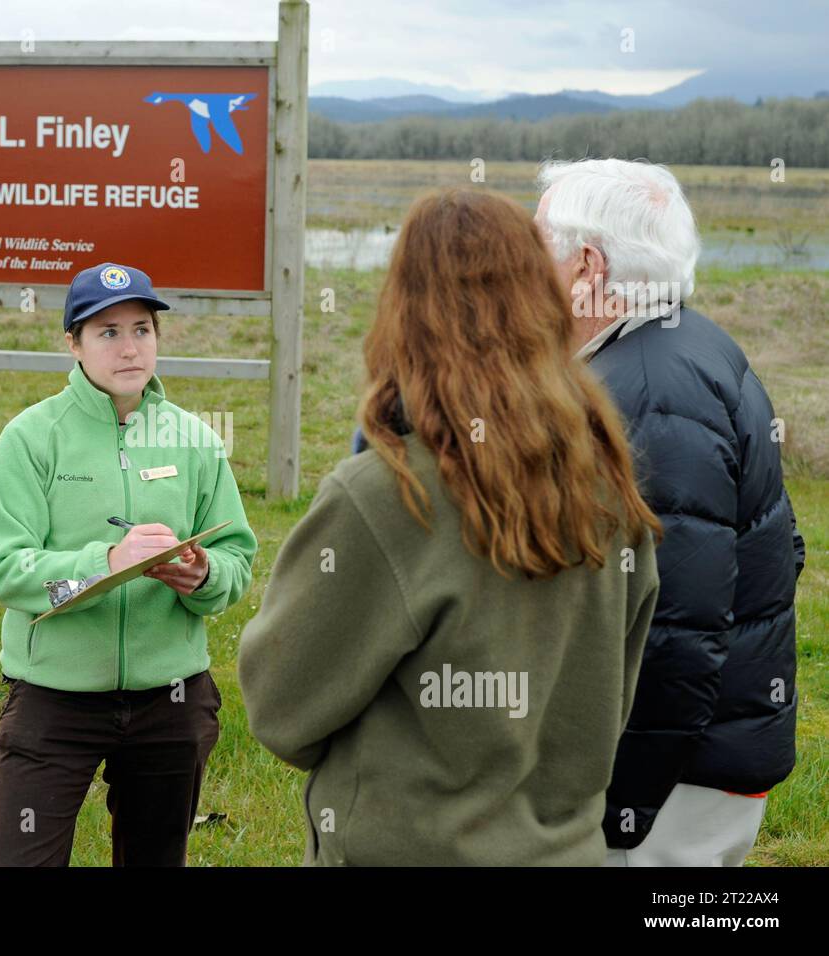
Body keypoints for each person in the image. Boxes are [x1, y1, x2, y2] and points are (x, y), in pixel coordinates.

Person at [237, 188, 663, 866]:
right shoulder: (610, 490)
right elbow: (606, 705)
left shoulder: (386, 497)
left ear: (403, 310)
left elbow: (283, 710)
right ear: (544, 307)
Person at [534, 158, 804, 866]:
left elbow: (672, 629)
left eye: (537, 249)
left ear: (587, 267)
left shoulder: (650, 389)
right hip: (700, 757)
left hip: (674, 780)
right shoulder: (678, 343)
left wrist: (627, 807)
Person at [0, 261, 257, 866]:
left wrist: (203, 575)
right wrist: (103, 563)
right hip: (54, 695)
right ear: (73, 343)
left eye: (142, 329)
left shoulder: (195, 440)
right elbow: (6, 567)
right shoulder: (30, 439)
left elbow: (239, 557)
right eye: (107, 332)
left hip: (172, 699)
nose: (129, 347)